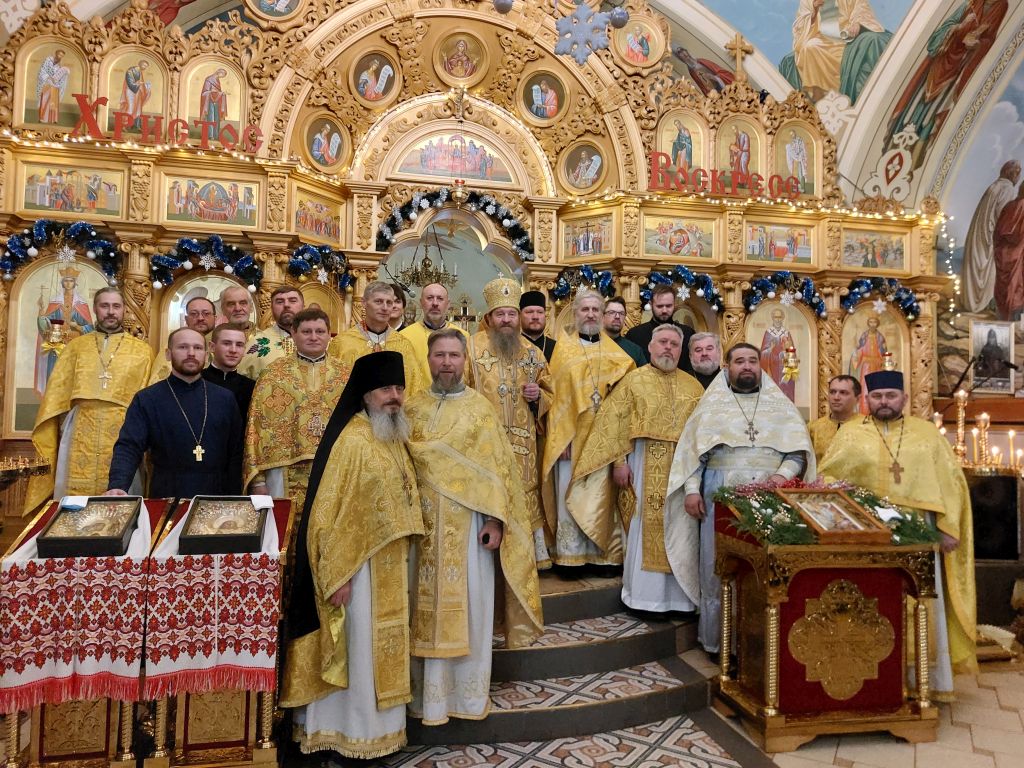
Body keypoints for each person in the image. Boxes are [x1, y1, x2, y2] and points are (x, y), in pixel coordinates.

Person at [280, 351, 423, 760]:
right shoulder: (352, 441)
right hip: (357, 573)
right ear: (365, 395)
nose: (394, 396)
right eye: (385, 389)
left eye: (399, 388)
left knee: (378, 652)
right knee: (357, 653)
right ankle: (345, 735)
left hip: (390, 566)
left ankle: (381, 733)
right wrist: (336, 576)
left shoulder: (392, 435)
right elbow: (327, 515)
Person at [404, 329, 544, 724]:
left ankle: (465, 698)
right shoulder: (411, 409)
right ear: (428, 360)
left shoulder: (480, 409)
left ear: (465, 361)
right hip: (420, 531)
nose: (447, 362)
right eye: (440, 355)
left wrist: (496, 521)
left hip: (468, 528)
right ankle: (423, 698)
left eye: (454, 355)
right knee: (418, 609)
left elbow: (500, 472)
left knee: (469, 608)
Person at [819, 370, 977, 695]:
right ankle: (871, 679)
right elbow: (827, 477)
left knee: (921, 601)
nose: (884, 402)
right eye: (877, 397)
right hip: (866, 532)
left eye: (891, 396)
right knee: (872, 599)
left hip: (920, 531)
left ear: (904, 398)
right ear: (867, 400)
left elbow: (951, 483)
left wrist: (949, 526)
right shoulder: (850, 434)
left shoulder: (926, 434)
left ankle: (923, 681)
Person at [668, 343, 814, 656]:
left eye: (752, 361)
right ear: (727, 367)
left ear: (760, 367)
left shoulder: (780, 406)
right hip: (719, 496)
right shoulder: (711, 406)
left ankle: (762, 646)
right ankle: (718, 645)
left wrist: (779, 478)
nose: (746, 366)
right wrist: (691, 490)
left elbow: (797, 452)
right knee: (719, 566)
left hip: (770, 498)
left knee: (765, 568)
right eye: (739, 361)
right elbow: (694, 455)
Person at [572, 325, 704, 612]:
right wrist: (619, 462)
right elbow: (614, 424)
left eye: (674, 344)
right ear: (651, 347)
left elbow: (701, 434)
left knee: (680, 529)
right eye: (663, 342)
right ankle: (645, 598)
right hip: (642, 463)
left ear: (681, 351)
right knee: (643, 523)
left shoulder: (693, 386)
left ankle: (679, 600)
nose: (668, 348)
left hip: (681, 469)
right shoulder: (633, 381)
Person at [26, 287, 153, 514]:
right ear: (95, 309)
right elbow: (57, 394)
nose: (111, 312)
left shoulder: (142, 351)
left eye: (116, 306)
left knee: (122, 494)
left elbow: (149, 397)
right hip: (80, 426)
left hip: (124, 427)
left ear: (124, 310)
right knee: (74, 497)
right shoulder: (76, 347)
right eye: (105, 306)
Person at [466, 278, 555, 569]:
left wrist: (538, 396)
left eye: (511, 314)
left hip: (523, 445)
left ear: (518, 317)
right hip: (483, 443)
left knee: (523, 492)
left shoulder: (533, 353)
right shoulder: (470, 349)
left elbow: (551, 395)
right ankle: (485, 561)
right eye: (500, 314)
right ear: (489, 317)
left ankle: (526, 559)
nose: (506, 319)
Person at [543, 289, 635, 567]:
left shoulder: (618, 356)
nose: (591, 314)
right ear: (575, 314)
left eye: (596, 310)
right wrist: (560, 439)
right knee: (570, 491)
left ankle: (603, 557)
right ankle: (570, 557)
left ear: (603, 315)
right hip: (572, 436)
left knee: (602, 496)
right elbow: (556, 400)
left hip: (605, 437)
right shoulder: (563, 351)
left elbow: (626, 404)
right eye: (586, 309)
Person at [106, 328, 243, 497]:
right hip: (167, 495)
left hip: (217, 497)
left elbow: (236, 453)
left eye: (198, 348)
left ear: (207, 355)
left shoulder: (225, 398)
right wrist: (118, 484)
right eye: (183, 347)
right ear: (168, 354)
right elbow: (129, 446)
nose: (191, 353)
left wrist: (236, 497)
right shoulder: (148, 398)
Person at [245, 308, 347, 519]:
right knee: (284, 528)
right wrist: (258, 481)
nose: (313, 337)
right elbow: (255, 427)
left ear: (329, 335)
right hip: (282, 470)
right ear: (293, 333)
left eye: (320, 331)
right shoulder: (273, 374)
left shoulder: (345, 374)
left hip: (335, 466)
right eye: (306, 331)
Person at [329, 281, 423, 392]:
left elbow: (414, 388)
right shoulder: (342, 343)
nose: (385, 307)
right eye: (378, 301)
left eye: (389, 303)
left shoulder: (403, 345)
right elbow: (331, 388)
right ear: (364, 303)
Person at [786, 0, 888, 101]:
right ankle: (821, 96)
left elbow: (861, 8)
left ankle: (838, 95)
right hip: (821, 39)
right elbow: (800, 26)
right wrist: (814, 10)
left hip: (844, 37)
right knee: (809, 47)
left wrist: (857, 24)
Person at [963, 160, 1021, 313]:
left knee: (981, 269)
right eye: (1017, 172)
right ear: (1010, 173)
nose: (1018, 176)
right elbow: (1006, 220)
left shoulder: (994, 186)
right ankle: (986, 304)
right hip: (992, 238)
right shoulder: (1007, 189)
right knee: (992, 271)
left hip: (981, 235)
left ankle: (974, 303)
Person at [35, 265, 94, 396]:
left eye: (71, 280)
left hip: (75, 345)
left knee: (73, 377)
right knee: (55, 375)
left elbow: (91, 328)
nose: (68, 283)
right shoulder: (55, 302)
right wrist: (41, 311)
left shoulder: (81, 304)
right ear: (62, 283)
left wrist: (77, 326)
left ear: (75, 283)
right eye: (66, 280)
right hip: (57, 345)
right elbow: (45, 325)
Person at [399, 282, 467, 382]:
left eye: (440, 298)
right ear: (421, 303)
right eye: (430, 298)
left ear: (448, 304)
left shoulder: (463, 336)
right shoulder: (404, 337)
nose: (435, 303)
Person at [625, 284, 696, 371]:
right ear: (651, 304)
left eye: (668, 306)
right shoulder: (635, 335)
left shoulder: (688, 333)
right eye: (659, 306)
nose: (664, 310)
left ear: (674, 304)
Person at [239, 286, 303, 380]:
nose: (286, 305)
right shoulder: (256, 344)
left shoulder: (319, 342)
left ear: (303, 306)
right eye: (279, 302)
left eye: (293, 300)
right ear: (272, 309)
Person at [149, 296, 218, 383]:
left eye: (206, 313)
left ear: (215, 318)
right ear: (186, 319)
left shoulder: (226, 344)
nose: (200, 318)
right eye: (194, 314)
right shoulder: (173, 345)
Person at [203, 322, 256, 430]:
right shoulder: (196, 381)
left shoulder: (252, 387)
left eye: (239, 345)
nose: (233, 350)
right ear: (212, 347)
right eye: (227, 343)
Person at [807, 374, 860, 462]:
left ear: (857, 399)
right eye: (832, 392)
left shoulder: (867, 426)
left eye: (843, 393)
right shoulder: (813, 428)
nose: (836, 397)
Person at [994, 180, 1024, 321]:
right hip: (1016, 252)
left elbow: (998, 233)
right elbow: (1012, 233)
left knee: (1010, 286)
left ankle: (1007, 315)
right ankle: (1014, 317)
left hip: (1005, 252)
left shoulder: (1009, 205)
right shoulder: (1021, 205)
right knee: (1016, 285)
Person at [849, 315, 887, 412]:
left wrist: (884, 362)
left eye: (874, 322)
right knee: (865, 387)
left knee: (877, 387)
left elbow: (884, 352)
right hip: (866, 366)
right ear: (868, 324)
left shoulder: (880, 337)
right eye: (871, 322)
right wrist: (855, 356)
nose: (872, 324)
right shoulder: (864, 336)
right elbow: (859, 350)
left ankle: (877, 411)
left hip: (878, 365)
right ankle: (864, 411)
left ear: (877, 324)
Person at [759, 308, 798, 402]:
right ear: (772, 318)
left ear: (783, 318)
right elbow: (762, 353)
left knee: (785, 391)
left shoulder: (786, 333)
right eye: (776, 317)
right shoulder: (768, 333)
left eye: (780, 317)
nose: (778, 319)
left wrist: (786, 353)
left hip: (784, 368)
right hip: (772, 367)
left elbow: (792, 353)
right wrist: (770, 349)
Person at [602, 297, 646, 367]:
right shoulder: (590, 345)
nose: (617, 316)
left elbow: (644, 373)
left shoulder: (635, 350)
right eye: (612, 312)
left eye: (621, 313)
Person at [520, 290, 557, 362]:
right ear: (520, 315)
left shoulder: (556, 348)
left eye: (540, 312)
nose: (535, 317)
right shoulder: (512, 347)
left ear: (545, 315)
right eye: (529, 312)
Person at [36, 49, 70, 125]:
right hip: (46, 83)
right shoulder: (48, 60)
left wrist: (65, 74)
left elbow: (59, 77)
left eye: (62, 56)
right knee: (44, 100)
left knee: (53, 102)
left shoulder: (59, 66)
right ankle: (42, 118)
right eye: (59, 54)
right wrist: (49, 77)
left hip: (55, 85)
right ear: (56, 53)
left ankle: (53, 119)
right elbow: (42, 71)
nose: (60, 56)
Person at [118, 59, 151, 130]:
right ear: (140, 64)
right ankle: (124, 125)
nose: (145, 67)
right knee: (130, 108)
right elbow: (130, 82)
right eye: (144, 65)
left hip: (137, 92)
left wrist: (146, 87)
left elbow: (140, 84)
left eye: (146, 66)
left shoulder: (140, 72)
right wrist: (139, 84)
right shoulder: (131, 70)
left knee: (138, 109)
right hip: (130, 91)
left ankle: (136, 125)